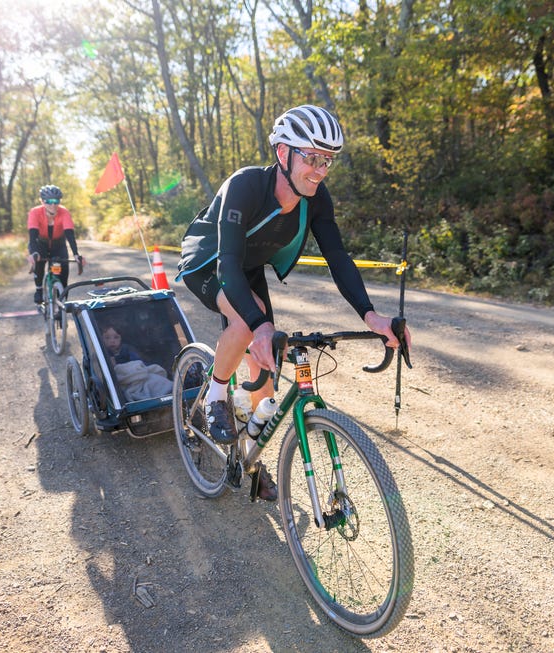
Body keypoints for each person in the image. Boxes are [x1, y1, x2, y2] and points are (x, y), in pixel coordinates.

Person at [176, 104, 410, 501]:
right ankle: (214, 395)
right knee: (251, 323)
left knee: (264, 381)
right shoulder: (246, 186)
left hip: (246, 267)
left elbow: (338, 258)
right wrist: (259, 325)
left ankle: (249, 454)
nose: (320, 170)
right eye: (313, 157)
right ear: (283, 153)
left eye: (328, 161)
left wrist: (371, 316)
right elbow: (228, 261)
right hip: (210, 260)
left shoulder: (317, 199)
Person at [27, 185, 85, 303]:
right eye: (48, 201)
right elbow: (32, 236)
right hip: (40, 243)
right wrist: (33, 253)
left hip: (58, 245)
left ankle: (61, 304)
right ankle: (39, 290)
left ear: (59, 201)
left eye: (56, 201)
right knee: (38, 260)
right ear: (42, 201)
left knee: (62, 272)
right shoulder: (35, 212)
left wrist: (75, 254)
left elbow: (69, 235)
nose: (53, 205)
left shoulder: (64, 212)